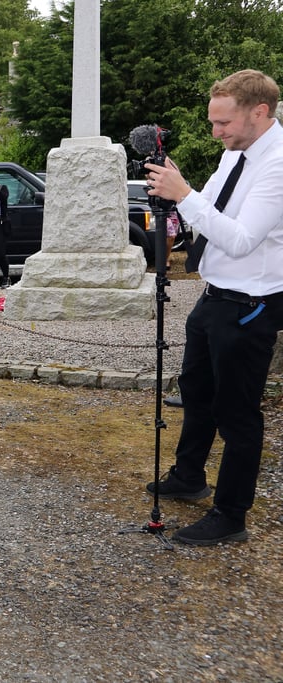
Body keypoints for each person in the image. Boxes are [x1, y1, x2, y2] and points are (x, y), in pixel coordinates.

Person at [144, 69, 283, 545]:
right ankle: (189, 477)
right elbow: (211, 210)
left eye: (223, 122)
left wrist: (184, 194)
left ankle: (231, 515)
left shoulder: (277, 164)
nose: (216, 132)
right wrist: (175, 197)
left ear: (259, 112)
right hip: (213, 294)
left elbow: (242, 239)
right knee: (197, 393)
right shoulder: (235, 154)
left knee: (237, 412)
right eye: (212, 122)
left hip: (251, 303)